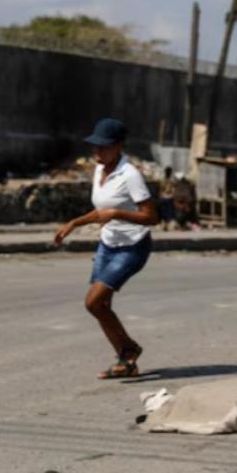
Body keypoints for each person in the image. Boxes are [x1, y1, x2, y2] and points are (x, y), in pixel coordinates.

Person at [54, 118, 159, 379]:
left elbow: (152, 217)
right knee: (102, 306)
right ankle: (126, 360)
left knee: (93, 302)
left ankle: (130, 349)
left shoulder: (130, 175)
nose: (97, 152)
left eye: (104, 146)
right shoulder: (100, 171)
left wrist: (117, 213)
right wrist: (75, 223)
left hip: (132, 247)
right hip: (108, 244)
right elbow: (101, 211)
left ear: (119, 146)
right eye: (94, 146)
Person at [158, 167, 177, 231]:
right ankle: (165, 225)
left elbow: (161, 189)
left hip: (166, 197)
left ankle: (166, 225)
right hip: (167, 197)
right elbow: (161, 189)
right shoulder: (168, 180)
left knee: (167, 212)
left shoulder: (165, 180)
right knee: (167, 212)